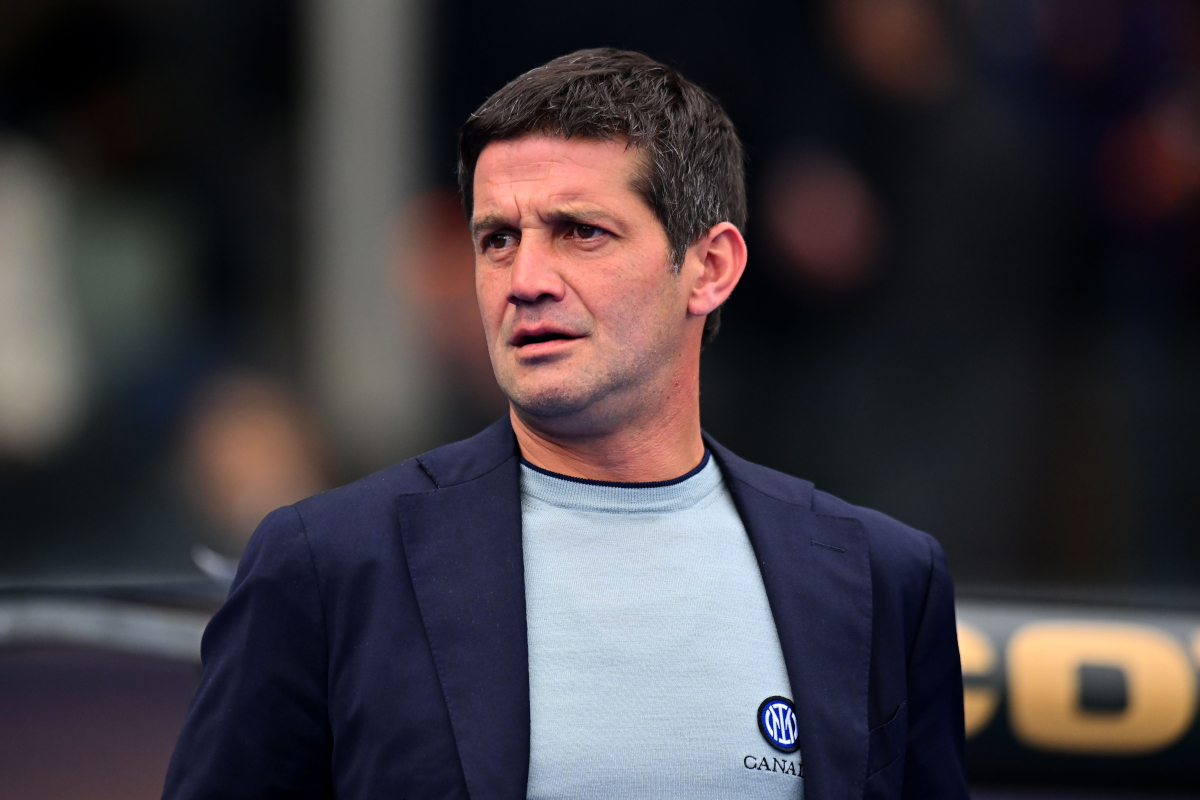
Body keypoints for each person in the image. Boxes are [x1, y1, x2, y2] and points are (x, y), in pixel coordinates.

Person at [162, 48, 967, 800]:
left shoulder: (880, 580)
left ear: (711, 267)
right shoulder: (327, 567)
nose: (526, 280)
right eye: (498, 239)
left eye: (582, 232)